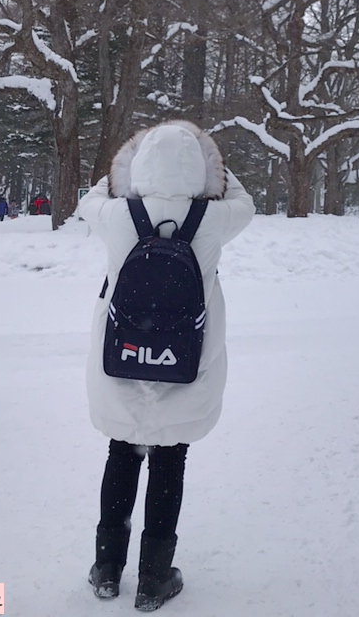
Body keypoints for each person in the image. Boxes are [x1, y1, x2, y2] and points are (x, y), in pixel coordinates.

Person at [79, 120, 254, 610]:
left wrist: (119, 172)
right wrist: (216, 171)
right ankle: (156, 576)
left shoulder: (116, 214)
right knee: (169, 459)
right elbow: (245, 203)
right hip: (185, 361)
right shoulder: (213, 218)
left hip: (125, 359)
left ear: (139, 166)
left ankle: (107, 568)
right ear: (202, 171)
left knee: (122, 454)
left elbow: (89, 198)